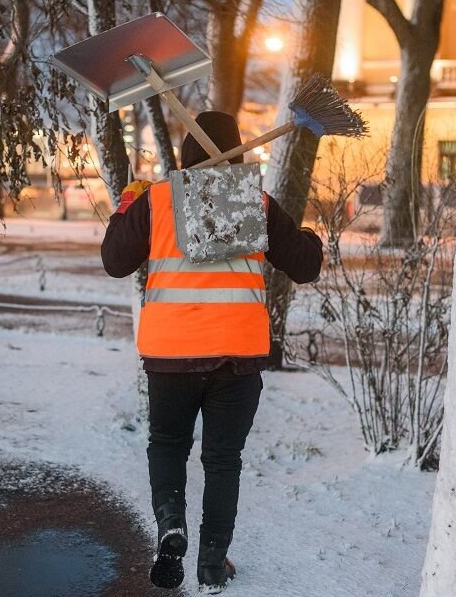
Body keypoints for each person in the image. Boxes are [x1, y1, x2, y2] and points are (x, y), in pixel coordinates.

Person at [101, 110, 323, 594]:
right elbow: (305, 266)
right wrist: (308, 237)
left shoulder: (157, 201)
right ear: (237, 152)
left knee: (168, 445)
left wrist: (125, 207)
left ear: (186, 154)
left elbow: (115, 261)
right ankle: (211, 564)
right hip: (237, 359)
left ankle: (171, 526)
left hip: (170, 356)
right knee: (223, 461)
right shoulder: (254, 203)